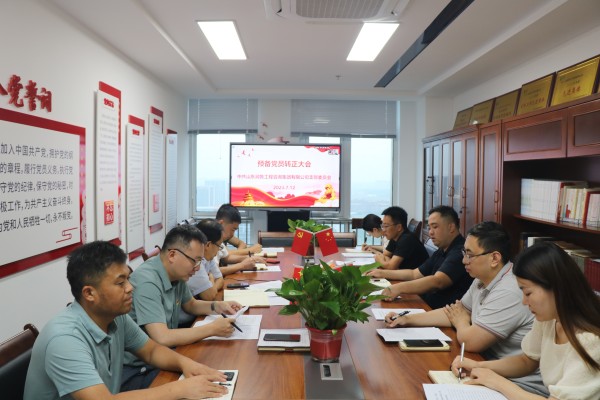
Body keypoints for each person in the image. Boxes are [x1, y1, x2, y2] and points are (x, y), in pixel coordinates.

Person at [23, 241, 228, 400]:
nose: (130, 288)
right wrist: (180, 389)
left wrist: (187, 364)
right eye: (120, 283)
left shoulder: (115, 316)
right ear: (89, 293)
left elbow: (151, 351)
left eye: (128, 279)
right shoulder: (65, 339)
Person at [385, 221, 546, 395]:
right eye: (464, 253)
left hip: (517, 384)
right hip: (489, 368)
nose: (464, 260)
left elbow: (470, 341)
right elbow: (453, 312)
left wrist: (461, 321)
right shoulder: (481, 278)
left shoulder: (510, 290)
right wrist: (407, 319)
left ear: (494, 258)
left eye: (470, 255)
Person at [453, 242, 600, 399]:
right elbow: (527, 360)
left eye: (528, 293)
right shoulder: (550, 319)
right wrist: (478, 366)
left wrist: (497, 382)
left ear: (556, 288)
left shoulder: (590, 341)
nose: (524, 301)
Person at [122, 225, 242, 391]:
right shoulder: (147, 282)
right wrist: (212, 329)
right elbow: (162, 337)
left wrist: (218, 306)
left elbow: (191, 305)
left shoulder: (176, 274)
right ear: (172, 255)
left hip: (164, 356)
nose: (198, 268)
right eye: (195, 260)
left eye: (200, 261)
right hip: (140, 369)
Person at [373, 205, 473, 309]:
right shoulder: (442, 249)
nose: (430, 232)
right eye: (429, 228)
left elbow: (438, 281)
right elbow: (414, 274)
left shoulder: (460, 251)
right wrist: (381, 273)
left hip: (440, 310)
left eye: (435, 227)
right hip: (426, 303)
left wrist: (399, 288)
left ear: (451, 227)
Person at [367, 206, 428, 271]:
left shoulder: (407, 239)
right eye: (382, 226)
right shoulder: (394, 237)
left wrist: (380, 260)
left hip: (416, 276)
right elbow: (385, 255)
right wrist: (386, 263)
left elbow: (391, 267)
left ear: (399, 227)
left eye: (386, 226)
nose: (383, 230)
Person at [215, 204, 265, 275]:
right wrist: (242, 265)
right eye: (232, 230)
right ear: (221, 223)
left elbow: (226, 257)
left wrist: (250, 258)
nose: (232, 234)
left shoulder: (219, 237)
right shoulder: (210, 238)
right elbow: (213, 272)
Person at [187, 219, 225, 301]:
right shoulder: (195, 262)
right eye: (219, 246)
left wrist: (212, 287)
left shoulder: (208, 257)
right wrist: (211, 278)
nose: (219, 250)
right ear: (208, 245)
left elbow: (220, 279)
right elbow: (209, 296)